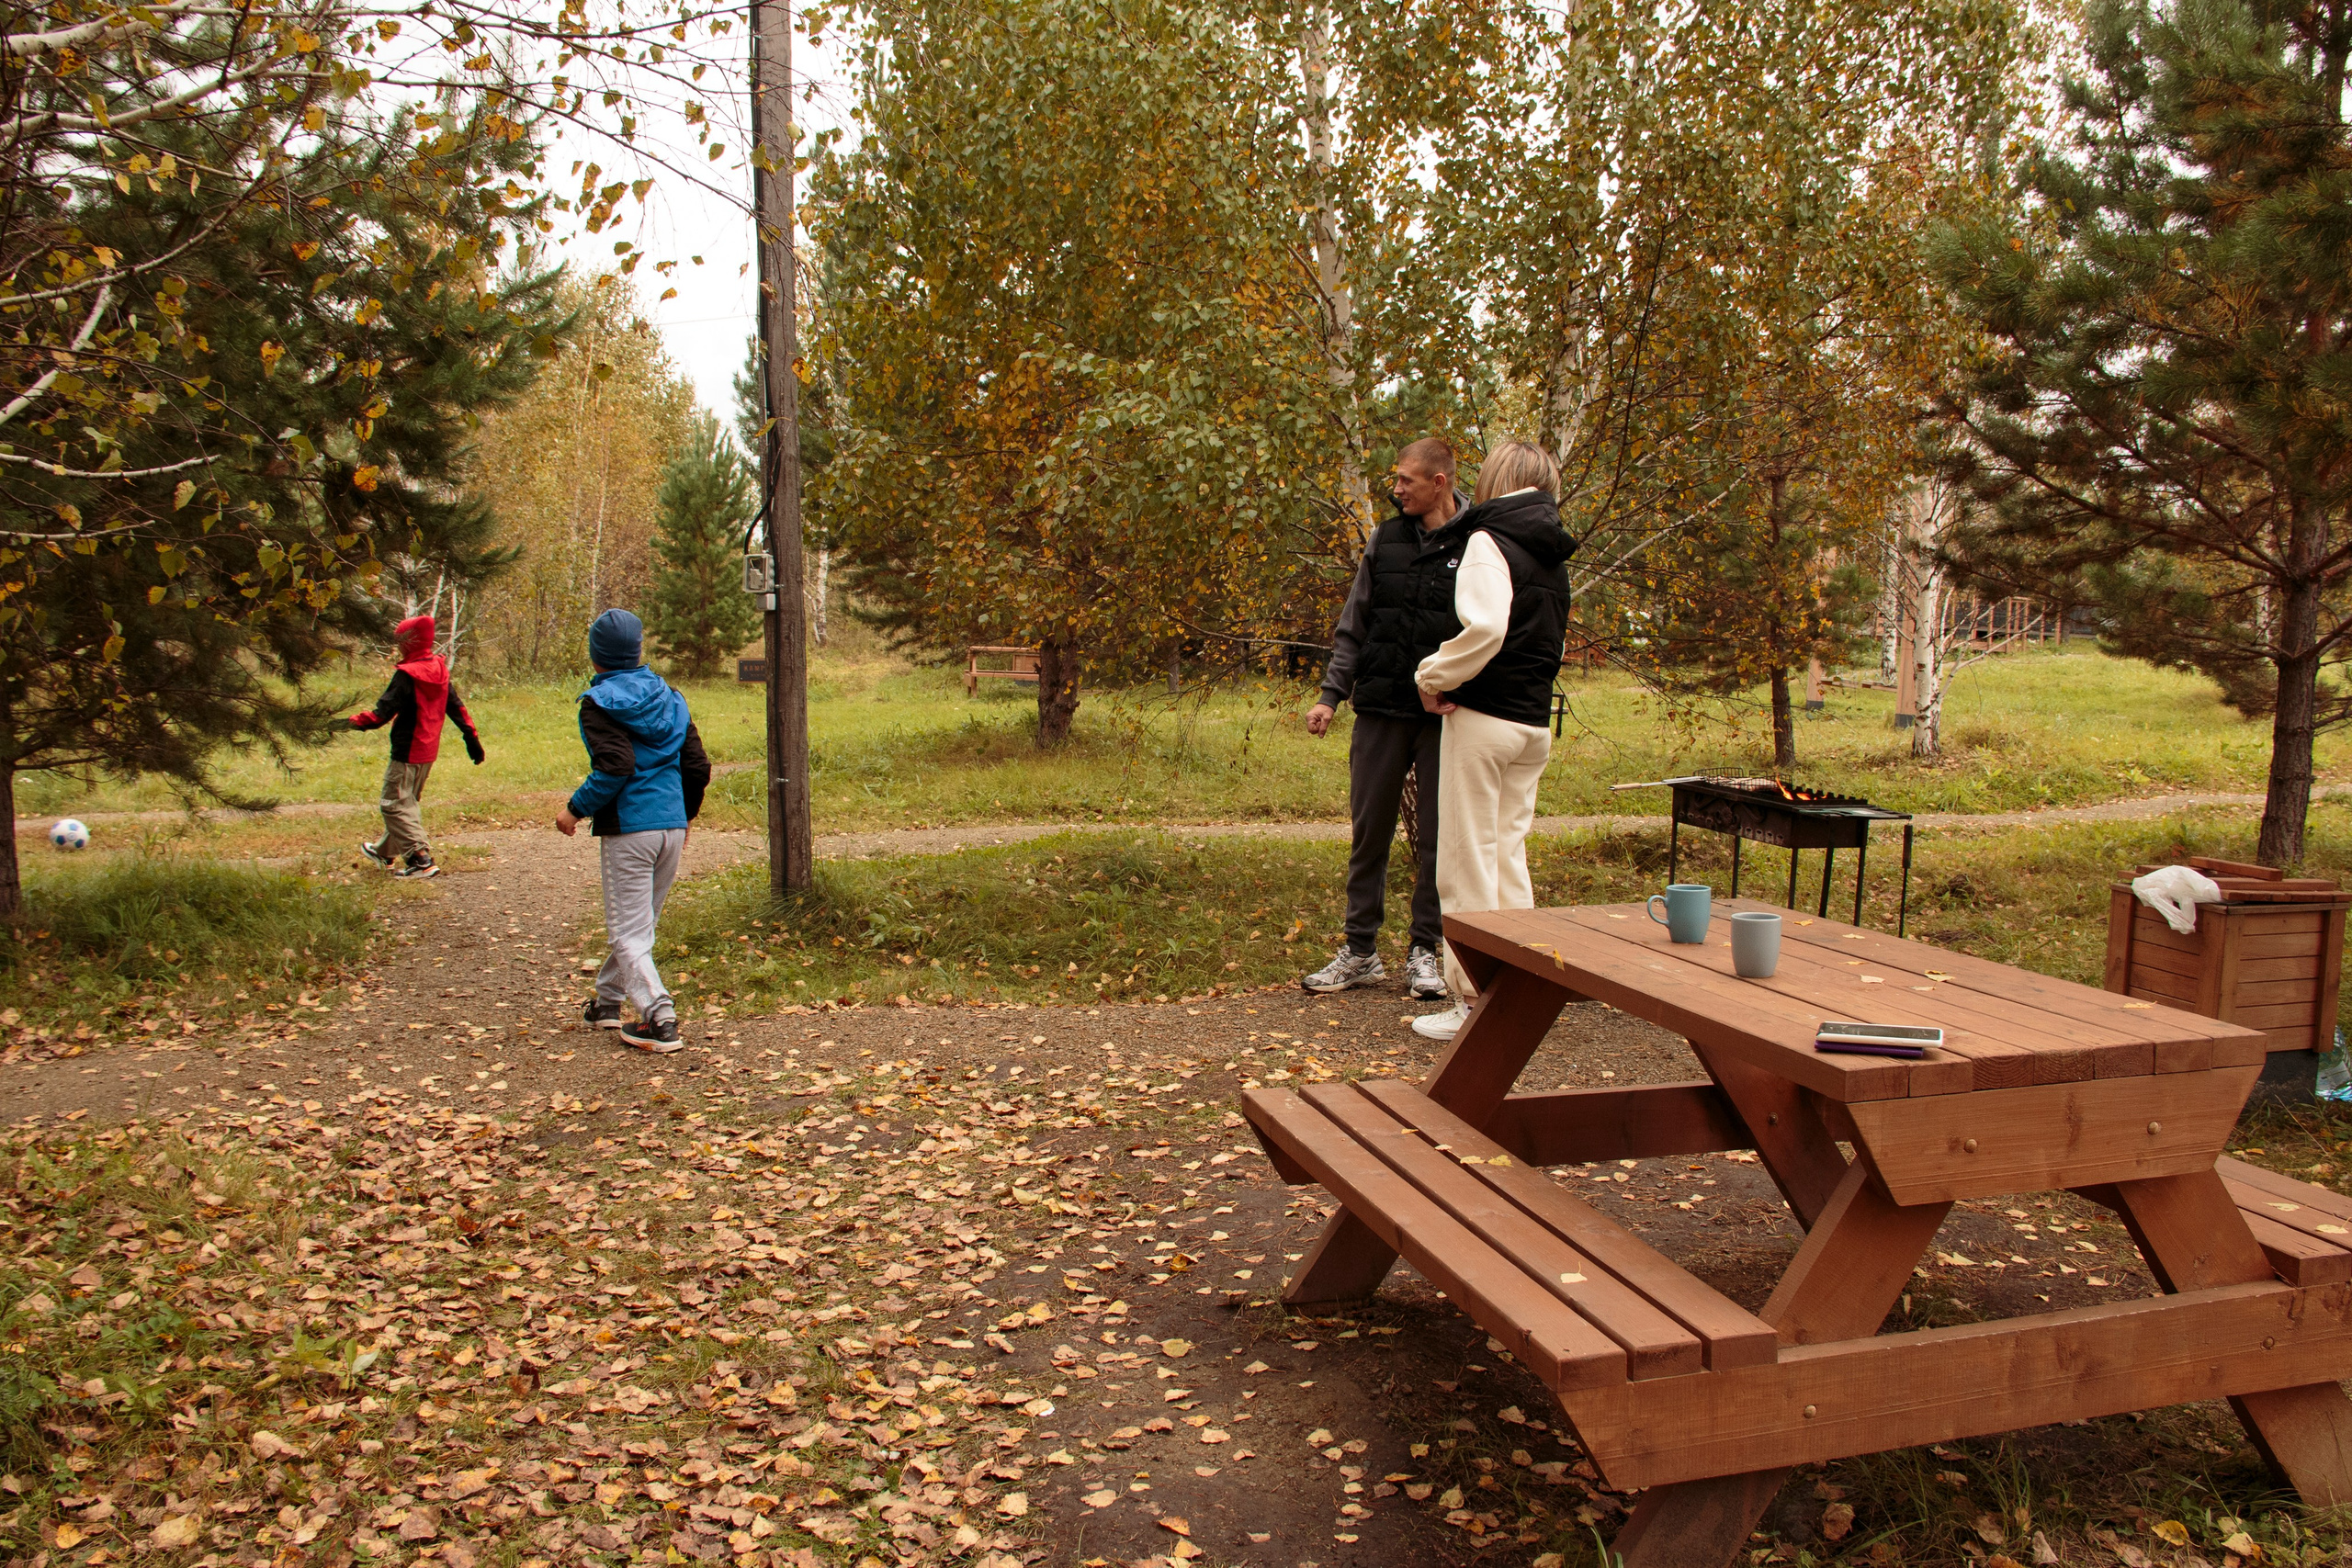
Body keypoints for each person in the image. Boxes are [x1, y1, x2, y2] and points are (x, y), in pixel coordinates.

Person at [1407, 441, 1576, 1042]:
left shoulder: (1488, 540)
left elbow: (1486, 627)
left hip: (1482, 721)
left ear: (1497, 478)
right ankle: (1518, 991)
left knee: (1466, 859)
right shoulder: (1552, 552)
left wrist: (1431, 675)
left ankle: (1473, 999)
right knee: (1507, 856)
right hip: (1532, 725)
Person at [1300, 437, 1473, 998]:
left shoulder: (1478, 542)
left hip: (1445, 716)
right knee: (1369, 831)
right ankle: (1360, 952)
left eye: (1406, 480)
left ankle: (1426, 949)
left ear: (1439, 482)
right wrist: (1331, 695)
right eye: (1395, 479)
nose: (1396, 489)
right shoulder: (1385, 539)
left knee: (1437, 839)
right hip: (1378, 709)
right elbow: (1355, 624)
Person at [557, 608, 713, 1055]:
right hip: (670, 825)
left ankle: (659, 1015)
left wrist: (574, 810)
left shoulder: (598, 703)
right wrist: (684, 818)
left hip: (630, 830)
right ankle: (607, 1002)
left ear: (596, 657)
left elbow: (616, 766)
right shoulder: (671, 696)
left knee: (628, 932)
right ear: (638, 650)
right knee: (639, 926)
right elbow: (697, 766)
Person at [351, 614, 484, 880]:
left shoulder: (406, 675)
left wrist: (349, 723)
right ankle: (383, 852)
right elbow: (457, 708)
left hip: (406, 751)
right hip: (427, 752)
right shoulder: (439, 669)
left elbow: (380, 715)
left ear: (407, 643)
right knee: (406, 802)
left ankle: (420, 859)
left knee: (393, 805)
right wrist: (472, 738)